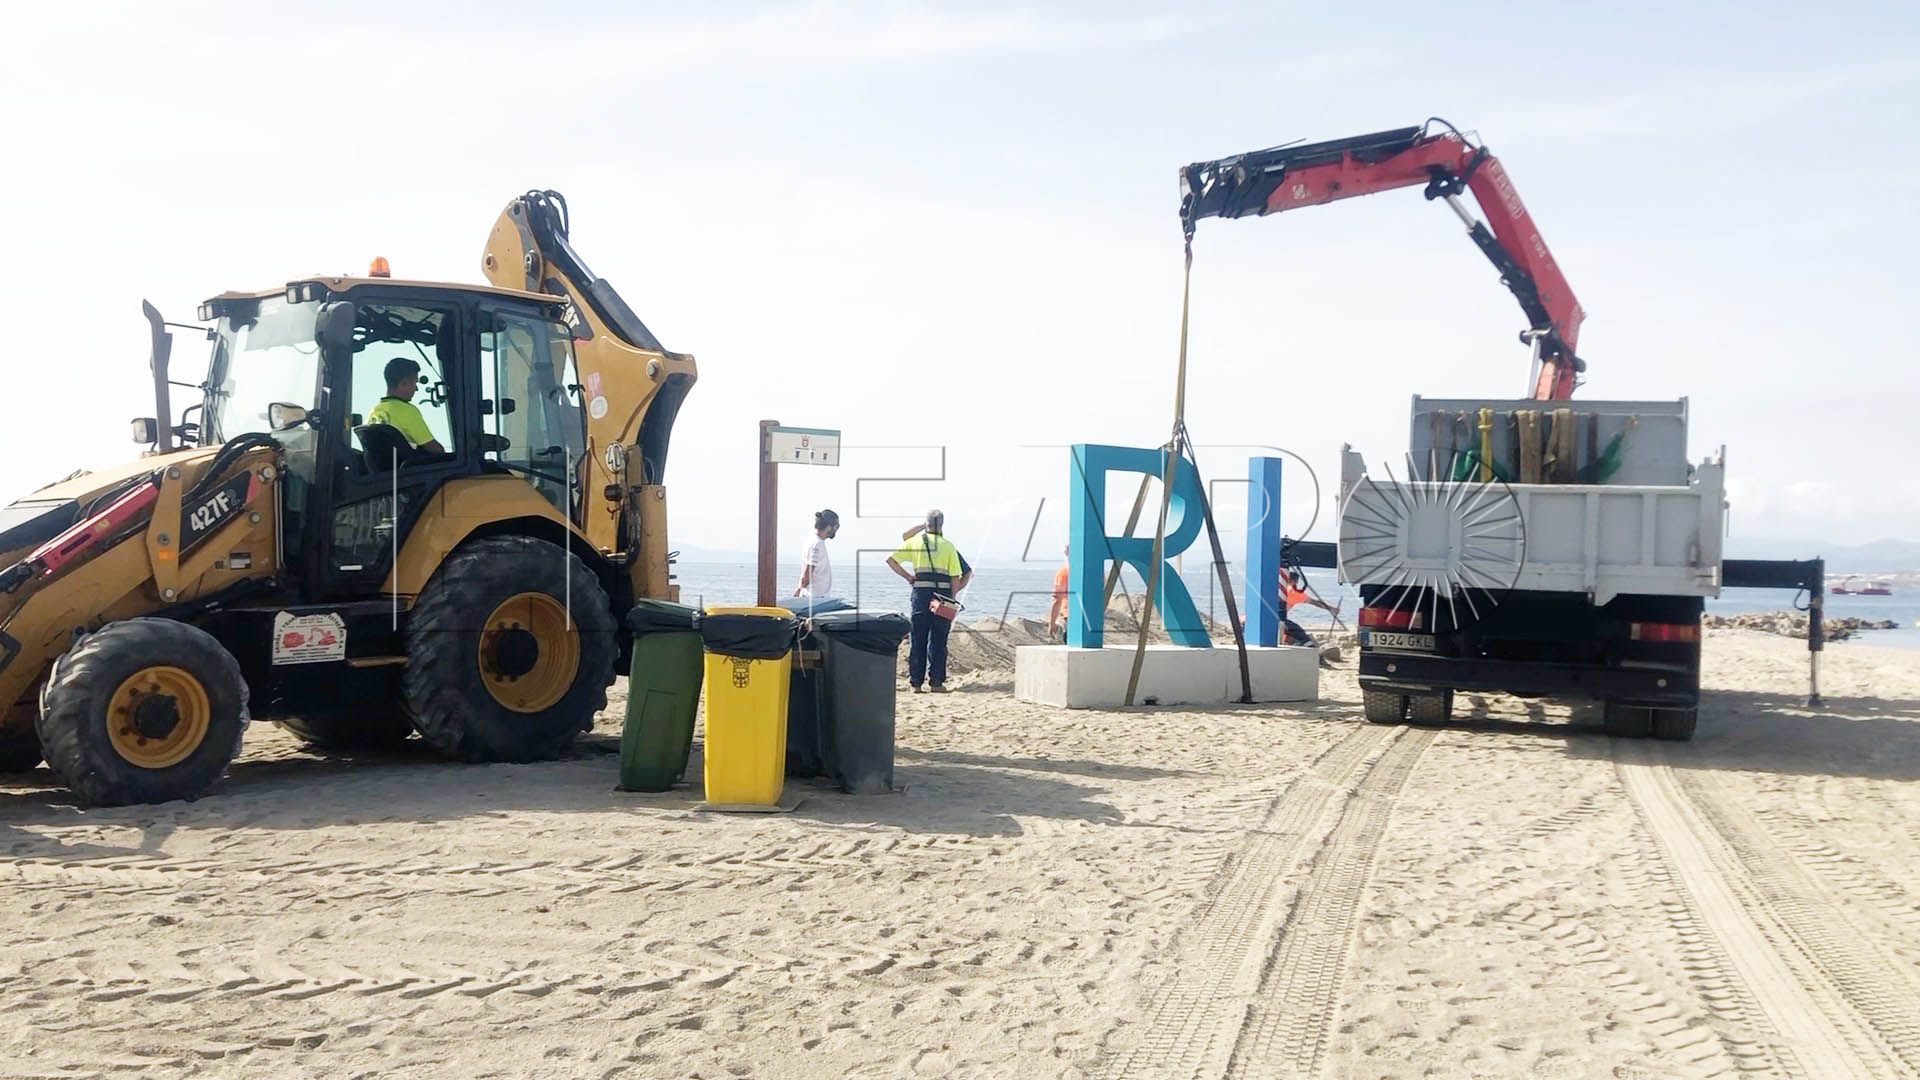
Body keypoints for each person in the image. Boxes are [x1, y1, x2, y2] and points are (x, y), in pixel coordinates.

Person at [887, 509, 971, 693]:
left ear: (926, 524)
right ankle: (936, 682)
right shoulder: (948, 546)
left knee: (918, 638)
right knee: (939, 640)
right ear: (942, 525)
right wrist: (952, 597)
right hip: (941, 597)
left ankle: (916, 683)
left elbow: (891, 560)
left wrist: (908, 576)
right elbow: (956, 576)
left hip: (920, 596)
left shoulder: (915, 542)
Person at [366, 358, 446, 454]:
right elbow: (434, 448)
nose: (416, 389)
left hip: (384, 468)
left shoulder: (374, 412)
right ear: (404, 383)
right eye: (415, 383)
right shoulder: (407, 411)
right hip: (409, 467)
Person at [782, 509, 850, 615]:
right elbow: (808, 571)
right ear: (829, 526)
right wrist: (800, 587)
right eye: (836, 526)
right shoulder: (818, 544)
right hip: (816, 599)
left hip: (811, 597)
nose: (836, 530)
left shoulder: (811, 540)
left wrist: (799, 589)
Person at [1280, 567, 1338, 646]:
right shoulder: (1295, 593)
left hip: (1274, 617)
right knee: (1300, 633)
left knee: (1289, 634)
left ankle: (1287, 645)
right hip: (1278, 618)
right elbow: (1315, 603)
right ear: (1294, 581)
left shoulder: (1279, 589)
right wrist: (1331, 609)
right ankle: (1309, 646)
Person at [1047, 545, 1071, 642]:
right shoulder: (1097, 571)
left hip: (1070, 617)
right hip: (1093, 618)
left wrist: (1052, 623)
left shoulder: (1064, 572)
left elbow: (1057, 600)